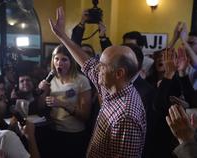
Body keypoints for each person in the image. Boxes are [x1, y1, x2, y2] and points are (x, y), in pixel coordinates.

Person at [48, 7, 146, 158]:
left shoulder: (127, 117)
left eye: (102, 65)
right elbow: (86, 62)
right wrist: (62, 36)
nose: (97, 67)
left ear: (119, 73)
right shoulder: (111, 86)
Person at [38, 44, 92, 158]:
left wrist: (62, 104)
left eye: (64, 59)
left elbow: (85, 116)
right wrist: (43, 91)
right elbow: (41, 107)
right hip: (53, 131)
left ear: (72, 61)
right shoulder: (50, 79)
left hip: (73, 134)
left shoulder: (81, 81)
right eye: (56, 59)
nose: (59, 63)